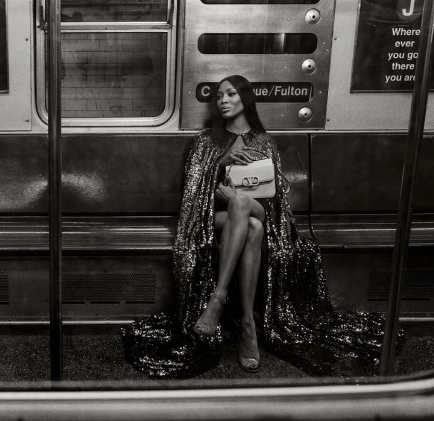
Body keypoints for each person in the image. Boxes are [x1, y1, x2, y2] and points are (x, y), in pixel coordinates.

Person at [122, 75, 403, 378]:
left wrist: (236, 196)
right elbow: (192, 193)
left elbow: (275, 198)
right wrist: (220, 164)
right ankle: (247, 323)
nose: (223, 101)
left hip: (259, 210)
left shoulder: (264, 141)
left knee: (244, 205)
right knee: (250, 225)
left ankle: (218, 299)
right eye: (219, 96)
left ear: (245, 98)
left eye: (231, 94)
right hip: (214, 219)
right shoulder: (206, 141)